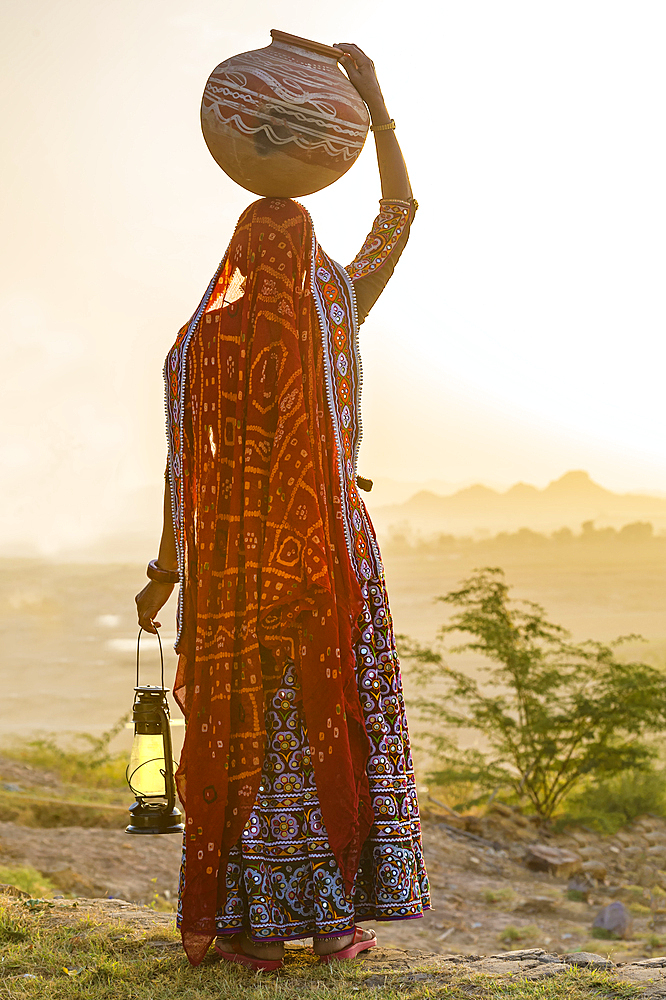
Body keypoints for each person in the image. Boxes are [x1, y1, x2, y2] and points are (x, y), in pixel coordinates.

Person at [135, 42, 430, 970]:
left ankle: (248, 922)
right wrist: (376, 105)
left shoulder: (203, 343)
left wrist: (164, 576)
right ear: (306, 254)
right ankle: (332, 917)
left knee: (249, 732)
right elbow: (399, 212)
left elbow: (185, 473)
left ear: (237, 258)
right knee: (326, 720)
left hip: (229, 568)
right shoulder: (334, 302)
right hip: (327, 554)